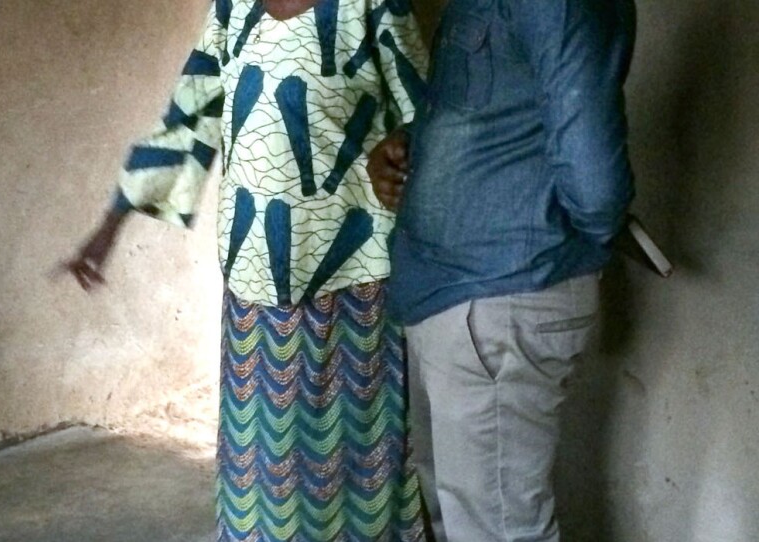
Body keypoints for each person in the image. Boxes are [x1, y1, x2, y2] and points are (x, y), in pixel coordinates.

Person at [66, 0, 430, 540]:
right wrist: (112, 222)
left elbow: (426, 113)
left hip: (353, 282)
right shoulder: (233, 10)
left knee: (356, 466)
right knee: (259, 474)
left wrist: (399, 150)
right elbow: (188, 119)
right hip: (254, 282)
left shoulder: (368, 6)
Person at [368, 0, 637, 541]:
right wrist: (415, 146)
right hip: (451, 295)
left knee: (497, 528)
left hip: (499, 295)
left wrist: (557, 245)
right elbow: (494, 106)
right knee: (465, 517)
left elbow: (595, 182)